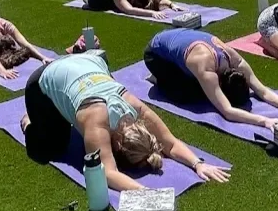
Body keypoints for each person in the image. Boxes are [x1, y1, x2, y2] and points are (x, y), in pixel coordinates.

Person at [20, 51, 230, 189]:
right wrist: (146, 192)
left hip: (90, 62)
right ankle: (29, 120)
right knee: (50, 149)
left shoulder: (137, 108)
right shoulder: (96, 119)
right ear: (117, 144)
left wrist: (198, 164)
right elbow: (107, 173)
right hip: (43, 79)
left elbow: (171, 143)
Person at [144, 28, 278, 128]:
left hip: (182, 39)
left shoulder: (235, 60)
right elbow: (227, 112)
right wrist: (265, 121)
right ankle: (157, 78)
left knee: (203, 88)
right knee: (189, 96)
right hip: (156, 55)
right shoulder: (206, 69)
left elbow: (262, 90)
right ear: (220, 83)